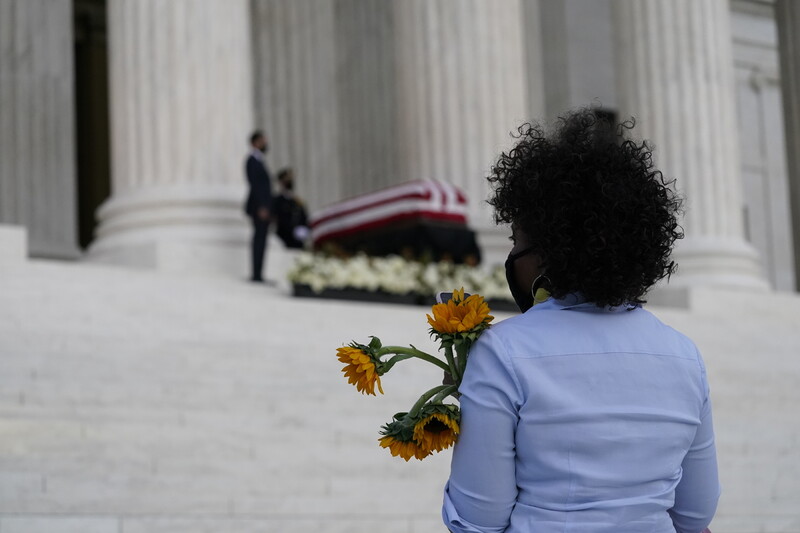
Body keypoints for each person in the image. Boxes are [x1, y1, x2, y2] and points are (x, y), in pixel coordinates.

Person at [443, 109, 720, 533]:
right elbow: (696, 514)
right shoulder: (686, 356)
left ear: (547, 249)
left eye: (517, 240)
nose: (513, 256)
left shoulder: (503, 351)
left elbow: (478, 519)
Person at [244, 130, 273, 283]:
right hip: (258, 208)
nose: (265, 143)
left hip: (263, 207)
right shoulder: (252, 160)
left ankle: (259, 273)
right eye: (263, 140)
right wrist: (262, 206)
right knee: (259, 240)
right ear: (255, 142)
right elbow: (256, 185)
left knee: (262, 240)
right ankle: (256, 274)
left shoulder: (259, 160)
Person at [273, 167, 309, 249]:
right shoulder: (277, 201)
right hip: (283, 239)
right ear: (281, 182)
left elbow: (304, 218)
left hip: (297, 241)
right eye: (286, 181)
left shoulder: (297, 201)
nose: (289, 183)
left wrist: (303, 229)